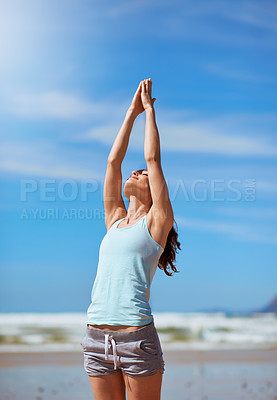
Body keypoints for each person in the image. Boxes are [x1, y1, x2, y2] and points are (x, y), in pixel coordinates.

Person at [80, 78, 181, 400]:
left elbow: (154, 159)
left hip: (136, 338)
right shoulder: (115, 221)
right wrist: (131, 113)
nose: (137, 172)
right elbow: (112, 163)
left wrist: (150, 111)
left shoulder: (156, 223)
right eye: (135, 172)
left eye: (144, 174)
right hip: (96, 337)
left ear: (158, 193)